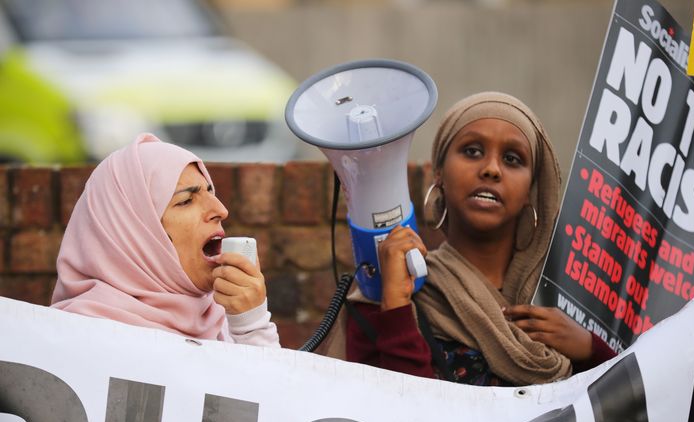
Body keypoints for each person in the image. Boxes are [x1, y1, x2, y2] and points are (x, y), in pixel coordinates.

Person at [338, 92, 615, 386]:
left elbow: (633, 412)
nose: (491, 169)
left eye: (512, 159)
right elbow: (394, 421)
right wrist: (395, 307)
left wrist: (591, 351)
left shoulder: (566, 302)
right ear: (439, 173)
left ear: (530, 190)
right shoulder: (384, 299)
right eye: (472, 151)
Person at [51, 133, 279, 346]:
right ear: (136, 234)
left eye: (211, 192)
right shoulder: (77, 335)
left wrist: (252, 327)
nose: (220, 210)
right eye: (186, 201)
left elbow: (272, 388)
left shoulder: (223, 322)